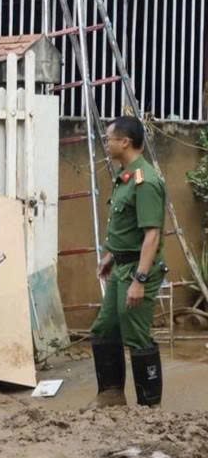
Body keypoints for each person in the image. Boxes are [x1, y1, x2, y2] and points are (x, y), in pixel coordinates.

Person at [90, 116, 168, 407]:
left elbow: (151, 236)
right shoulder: (124, 176)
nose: (105, 143)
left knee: (136, 335)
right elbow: (128, 226)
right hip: (122, 265)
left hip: (138, 269)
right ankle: (110, 395)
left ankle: (149, 407)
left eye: (109, 138)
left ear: (125, 142)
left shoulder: (144, 181)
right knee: (104, 328)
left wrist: (140, 280)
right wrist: (111, 255)